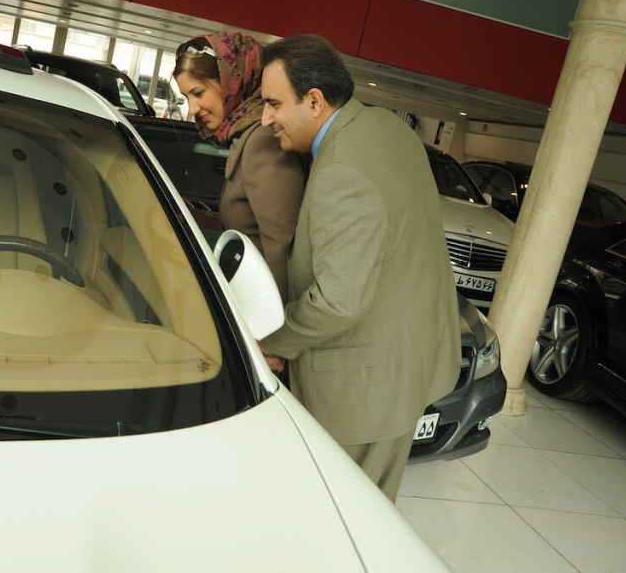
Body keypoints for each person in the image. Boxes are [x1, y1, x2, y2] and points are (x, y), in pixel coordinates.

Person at [257, 34, 460, 502]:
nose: (265, 119)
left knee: (343, 520)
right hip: (407, 367)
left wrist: (274, 342)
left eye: (273, 104)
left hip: (362, 391)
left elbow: (338, 300)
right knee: (373, 509)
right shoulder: (388, 128)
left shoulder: (341, 171)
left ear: (314, 101)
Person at [172, 31, 305, 302]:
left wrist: (272, 334)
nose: (193, 108)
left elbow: (282, 250)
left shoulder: (263, 140)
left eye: (198, 93)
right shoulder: (242, 136)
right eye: (187, 97)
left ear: (231, 82)